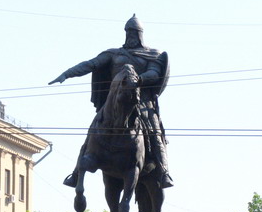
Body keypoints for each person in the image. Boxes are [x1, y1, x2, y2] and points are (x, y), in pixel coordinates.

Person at [49, 14, 173, 192]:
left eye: (134, 32)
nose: (130, 36)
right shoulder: (114, 54)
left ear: (140, 34)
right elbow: (91, 64)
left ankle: (163, 172)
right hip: (115, 103)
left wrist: (138, 79)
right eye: (128, 32)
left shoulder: (153, 54)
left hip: (143, 103)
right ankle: (76, 173)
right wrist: (67, 74)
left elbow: (154, 73)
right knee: (92, 132)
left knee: (154, 133)